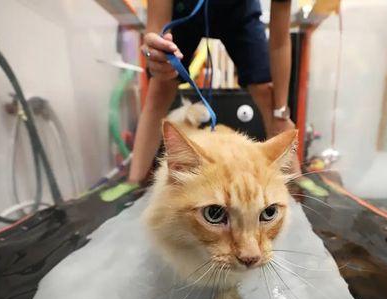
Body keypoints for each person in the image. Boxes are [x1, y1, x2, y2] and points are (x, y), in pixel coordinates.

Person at [127, 0, 301, 184]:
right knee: (159, 89)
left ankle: (298, 189)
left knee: (266, 93)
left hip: (239, 11)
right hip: (183, 8)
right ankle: (133, 183)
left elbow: (280, 42)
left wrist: (281, 112)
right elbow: (156, 32)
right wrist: (155, 56)